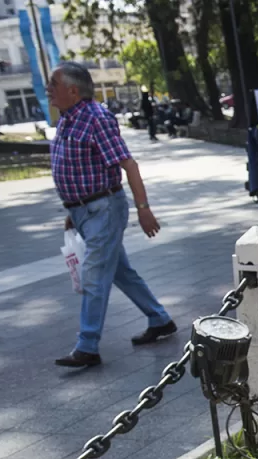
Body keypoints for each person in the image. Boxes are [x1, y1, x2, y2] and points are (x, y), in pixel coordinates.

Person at [46, 62, 175, 368]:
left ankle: (87, 345)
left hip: (103, 210)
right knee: (120, 272)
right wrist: (73, 208)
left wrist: (144, 210)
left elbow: (129, 165)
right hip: (83, 210)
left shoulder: (96, 118)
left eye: (53, 84)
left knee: (93, 277)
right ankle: (160, 319)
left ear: (73, 91)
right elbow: (77, 167)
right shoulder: (66, 119)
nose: (48, 89)